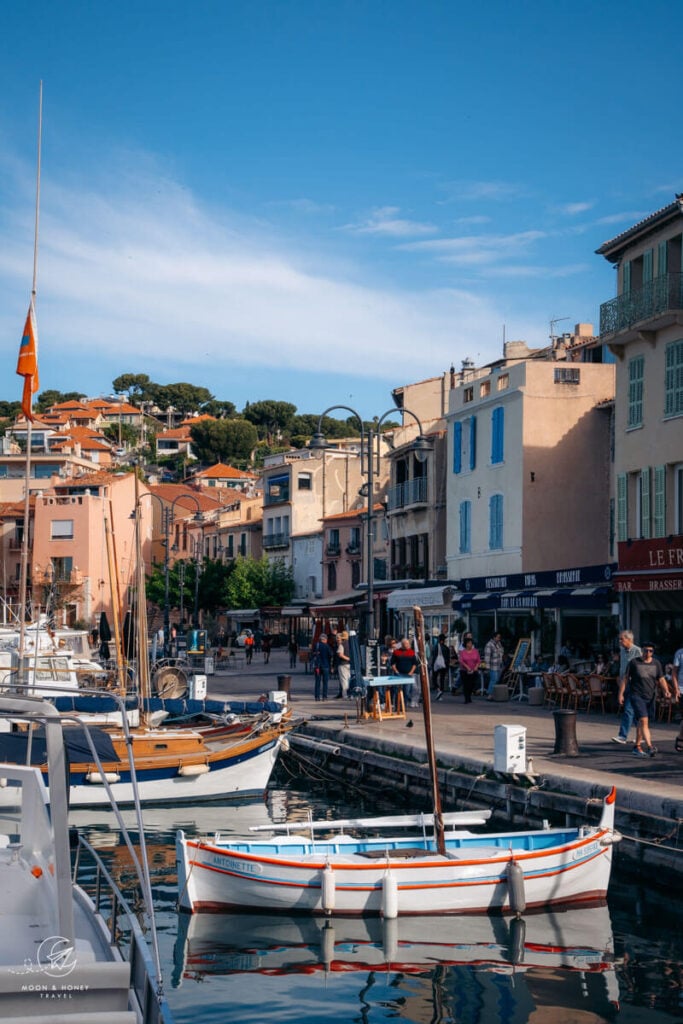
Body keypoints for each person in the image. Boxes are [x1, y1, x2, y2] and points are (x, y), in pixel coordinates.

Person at [622, 642, 669, 757]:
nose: (648, 653)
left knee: (641, 722)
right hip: (637, 695)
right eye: (646, 650)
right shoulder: (634, 663)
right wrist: (621, 694)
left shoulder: (656, 663)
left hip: (650, 696)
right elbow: (625, 679)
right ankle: (650, 747)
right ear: (642, 650)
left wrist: (666, 690)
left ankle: (637, 746)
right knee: (644, 721)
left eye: (651, 651)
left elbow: (661, 679)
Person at [612, 630, 642, 745]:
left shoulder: (637, 651)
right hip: (624, 682)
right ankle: (641, 733)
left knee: (628, 709)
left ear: (629, 640)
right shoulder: (622, 651)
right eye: (619, 639)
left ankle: (622, 735)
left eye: (622, 639)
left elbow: (639, 668)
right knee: (633, 711)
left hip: (634, 683)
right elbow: (622, 667)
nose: (620, 641)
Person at [390, 637, 419, 708]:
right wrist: (396, 671)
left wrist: (411, 672)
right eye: (406, 644)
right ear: (402, 644)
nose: (408, 645)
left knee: (406, 691)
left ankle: (404, 706)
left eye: (408, 643)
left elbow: (414, 664)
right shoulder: (396, 652)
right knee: (397, 691)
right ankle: (397, 706)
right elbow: (392, 663)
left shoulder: (411, 652)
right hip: (399, 674)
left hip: (408, 675)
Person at [459, 633, 481, 704]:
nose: (470, 645)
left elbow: (478, 660)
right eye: (469, 643)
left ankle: (471, 693)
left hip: (473, 670)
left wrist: (476, 667)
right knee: (466, 685)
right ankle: (467, 698)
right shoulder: (463, 652)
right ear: (466, 644)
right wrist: (467, 667)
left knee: (473, 683)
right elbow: (461, 661)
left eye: (471, 643)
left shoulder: (475, 651)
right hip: (464, 671)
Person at [484, 631, 504, 700]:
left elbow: (501, 652)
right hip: (493, 665)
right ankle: (489, 694)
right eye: (498, 637)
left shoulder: (499, 644)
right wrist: (487, 667)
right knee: (494, 679)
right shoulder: (489, 645)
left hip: (499, 665)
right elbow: (487, 656)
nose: (499, 639)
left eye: (499, 637)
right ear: (494, 637)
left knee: (497, 679)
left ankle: (493, 694)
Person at [312, 633, 332, 701]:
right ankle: (324, 696)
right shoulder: (327, 646)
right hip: (325, 666)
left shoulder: (316, 645)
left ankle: (317, 697)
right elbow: (331, 655)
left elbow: (312, 654)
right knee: (325, 682)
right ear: (325, 639)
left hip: (317, 666)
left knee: (317, 682)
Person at [431, 634, 450, 700]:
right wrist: (447, 666)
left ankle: (438, 689)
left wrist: (432, 665)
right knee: (442, 678)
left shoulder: (436, 647)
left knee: (434, 678)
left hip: (436, 664)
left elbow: (433, 656)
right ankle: (441, 690)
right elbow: (448, 658)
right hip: (444, 665)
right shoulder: (446, 648)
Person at [335, 631, 351, 698]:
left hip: (343, 664)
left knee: (344, 680)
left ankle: (345, 694)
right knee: (349, 679)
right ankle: (350, 693)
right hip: (349, 664)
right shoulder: (350, 644)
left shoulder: (342, 645)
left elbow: (340, 654)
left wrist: (347, 658)